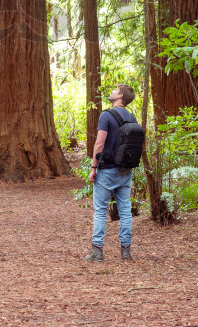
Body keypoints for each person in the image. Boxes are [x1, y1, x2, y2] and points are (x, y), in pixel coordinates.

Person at [85, 84, 137, 262]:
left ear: (120, 96)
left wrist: (93, 167)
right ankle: (126, 251)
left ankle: (97, 252)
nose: (112, 92)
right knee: (125, 211)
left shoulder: (106, 115)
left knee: (100, 211)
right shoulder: (132, 117)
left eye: (115, 90)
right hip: (125, 171)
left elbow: (99, 144)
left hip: (106, 170)